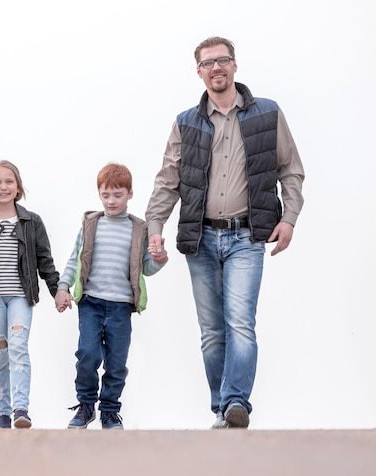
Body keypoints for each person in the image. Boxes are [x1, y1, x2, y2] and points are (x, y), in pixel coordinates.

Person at [145, 37, 305, 429]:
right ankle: (222, 408)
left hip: (248, 237)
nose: (216, 68)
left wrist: (290, 218)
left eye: (223, 60)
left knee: (240, 322)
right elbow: (168, 180)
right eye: (208, 63)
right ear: (198, 71)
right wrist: (154, 228)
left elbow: (291, 169)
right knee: (212, 332)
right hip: (200, 239)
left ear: (235, 66)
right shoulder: (186, 122)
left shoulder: (267, 113)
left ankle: (237, 403)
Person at [56, 163, 168, 430]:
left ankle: (109, 410)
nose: (111, 200)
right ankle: (85, 406)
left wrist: (159, 259)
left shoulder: (138, 229)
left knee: (117, 362)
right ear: (99, 195)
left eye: (117, 195)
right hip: (91, 302)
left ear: (130, 193)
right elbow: (75, 259)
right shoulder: (91, 224)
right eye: (106, 195)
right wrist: (63, 287)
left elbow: (146, 268)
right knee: (87, 353)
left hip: (120, 306)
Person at [0, 160, 60, 429]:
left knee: (18, 347)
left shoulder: (31, 222)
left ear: (18, 187)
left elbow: (45, 260)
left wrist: (57, 290)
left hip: (20, 295)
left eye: (9, 181)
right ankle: (3, 413)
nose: (3, 187)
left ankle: (21, 408)